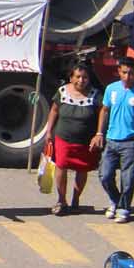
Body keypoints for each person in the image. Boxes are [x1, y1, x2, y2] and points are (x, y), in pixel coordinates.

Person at [98, 56, 134, 223]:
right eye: (124, 72)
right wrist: (99, 133)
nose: (127, 76)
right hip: (111, 139)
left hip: (130, 141)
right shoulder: (111, 89)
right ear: (118, 72)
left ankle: (124, 208)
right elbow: (104, 110)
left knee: (127, 178)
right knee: (105, 175)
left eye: (131, 73)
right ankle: (115, 200)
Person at [43, 63, 100, 215]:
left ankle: (76, 200)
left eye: (85, 77)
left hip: (85, 140)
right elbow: (54, 111)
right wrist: (48, 131)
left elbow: (103, 114)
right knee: (61, 166)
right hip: (63, 138)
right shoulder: (62, 92)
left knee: (82, 169)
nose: (81, 80)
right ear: (71, 78)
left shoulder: (95, 94)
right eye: (78, 77)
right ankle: (62, 200)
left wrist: (99, 134)